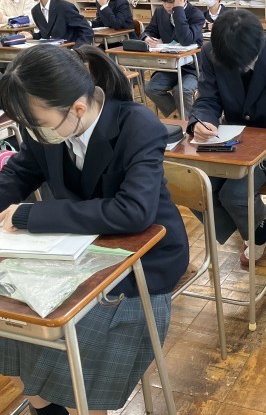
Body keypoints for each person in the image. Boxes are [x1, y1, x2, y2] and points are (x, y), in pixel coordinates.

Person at [0, 44, 189, 415]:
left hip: (141, 264)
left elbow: (133, 212)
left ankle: (75, 404)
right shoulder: (48, 127)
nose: (33, 133)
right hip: (75, 255)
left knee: (75, 351)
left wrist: (28, 216)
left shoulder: (136, 125)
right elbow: (18, 174)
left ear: (77, 109)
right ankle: (44, 403)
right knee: (16, 324)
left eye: (37, 123)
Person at [189, 9, 266, 265]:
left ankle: (256, 230)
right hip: (228, 142)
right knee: (195, 187)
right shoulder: (211, 52)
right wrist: (201, 120)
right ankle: (261, 224)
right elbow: (208, 98)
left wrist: (246, 152)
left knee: (233, 195)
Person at [141, 0, 205, 118]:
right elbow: (149, 31)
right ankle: (177, 115)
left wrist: (178, 10)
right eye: (164, 2)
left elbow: (186, 39)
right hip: (171, 66)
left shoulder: (196, 15)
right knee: (151, 88)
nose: (167, 6)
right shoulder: (160, 13)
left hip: (192, 69)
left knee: (182, 90)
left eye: (171, 2)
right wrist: (146, 37)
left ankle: (191, 122)